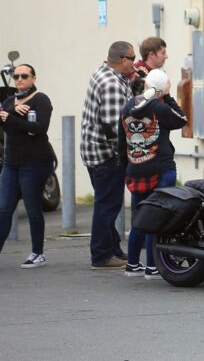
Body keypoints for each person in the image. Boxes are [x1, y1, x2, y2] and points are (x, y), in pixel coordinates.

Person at [0, 64, 55, 270]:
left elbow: (40, 129)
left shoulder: (41, 100)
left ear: (34, 78)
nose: (19, 80)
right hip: (11, 164)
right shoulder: (10, 101)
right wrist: (11, 111)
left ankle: (38, 253)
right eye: (16, 76)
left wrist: (11, 118)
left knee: (32, 208)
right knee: (4, 209)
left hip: (35, 163)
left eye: (24, 76)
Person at [120, 69, 187, 278]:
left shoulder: (127, 107)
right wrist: (167, 96)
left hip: (135, 168)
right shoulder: (159, 107)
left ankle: (132, 264)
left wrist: (127, 165)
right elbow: (182, 119)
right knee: (156, 217)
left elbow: (121, 140)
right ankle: (152, 265)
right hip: (160, 168)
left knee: (140, 217)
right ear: (162, 87)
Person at [81, 41, 136, 269]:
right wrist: (129, 155)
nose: (135, 62)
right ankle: (102, 255)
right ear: (123, 60)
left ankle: (112, 247)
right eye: (132, 58)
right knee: (108, 204)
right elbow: (115, 128)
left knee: (107, 202)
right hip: (106, 155)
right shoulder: (112, 84)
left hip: (93, 150)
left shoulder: (103, 71)